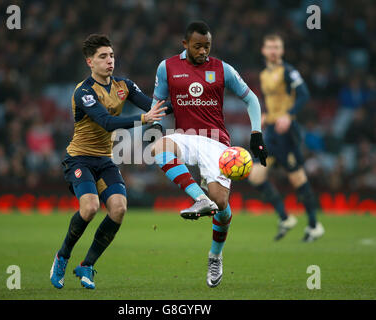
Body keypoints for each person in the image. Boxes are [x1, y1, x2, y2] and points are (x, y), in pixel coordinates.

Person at [150, 21, 268, 288]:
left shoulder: (222, 69)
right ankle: (199, 199)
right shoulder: (166, 67)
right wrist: (156, 127)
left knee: (221, 205)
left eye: (207, 46)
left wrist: (256, 133)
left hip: (216, 143)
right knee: (159, 148)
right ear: (185, 44)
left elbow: (251, 99)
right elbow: (156, 103)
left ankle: (215, 255)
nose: (203, 51)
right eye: (197, 46)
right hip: (186, 136)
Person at [50, 34, 167, 290]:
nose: (109, 60)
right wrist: (144, 120)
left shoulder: (124, 85)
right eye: (103, 56)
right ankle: (62, 256)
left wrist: (183, 101)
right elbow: (106, 122)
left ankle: (87, 265)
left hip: (104, 159)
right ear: (90, 62)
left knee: (119, 209)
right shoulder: (84, 92)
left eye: (111, 55)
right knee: (90, 207)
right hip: (79, 159)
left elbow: (154, 106)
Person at [248, 34, 325, 242]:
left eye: (277, 47)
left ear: (282, 51)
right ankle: (285, 217)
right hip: (272, 132)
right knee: (255, 176)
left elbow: (304, 94)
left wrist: (288, 115)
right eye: (270, 47)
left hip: (287, 133)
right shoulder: (264, 75)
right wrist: (266, 116)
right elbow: (272, 102)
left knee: (297, 178)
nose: (273, 51)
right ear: (264, 50)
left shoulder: (289, 71)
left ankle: (314, 225)